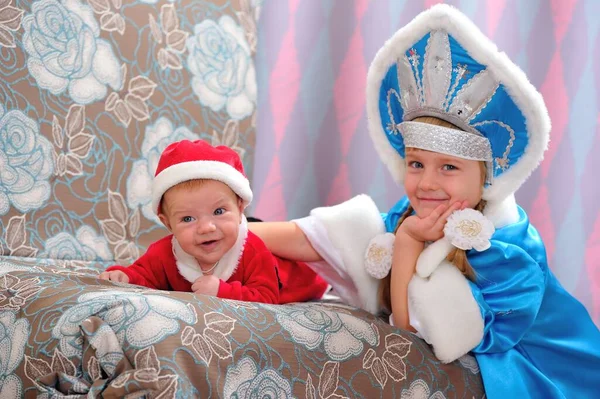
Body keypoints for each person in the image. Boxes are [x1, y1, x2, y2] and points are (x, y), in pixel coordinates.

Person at [249, 4, 600, 398]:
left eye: (449, 167)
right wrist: (232, 231)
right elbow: (320, 238)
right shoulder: (415, 214)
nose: (426, 183)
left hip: (558, 376)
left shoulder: (510, 256)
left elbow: (411, 331)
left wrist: (408, 245)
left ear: (485, 178)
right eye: (416, 163)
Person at [99, 139, 329, 304]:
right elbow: (146, 274)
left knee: (304, 270)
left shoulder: (253, 250)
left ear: (240, 208)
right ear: (167, 224)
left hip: (297, 279)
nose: (206, 227)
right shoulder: (165, 253)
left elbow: (267, 296)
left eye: (219, 211)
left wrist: (222, 291)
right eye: (188, 218)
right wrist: (125, 276)